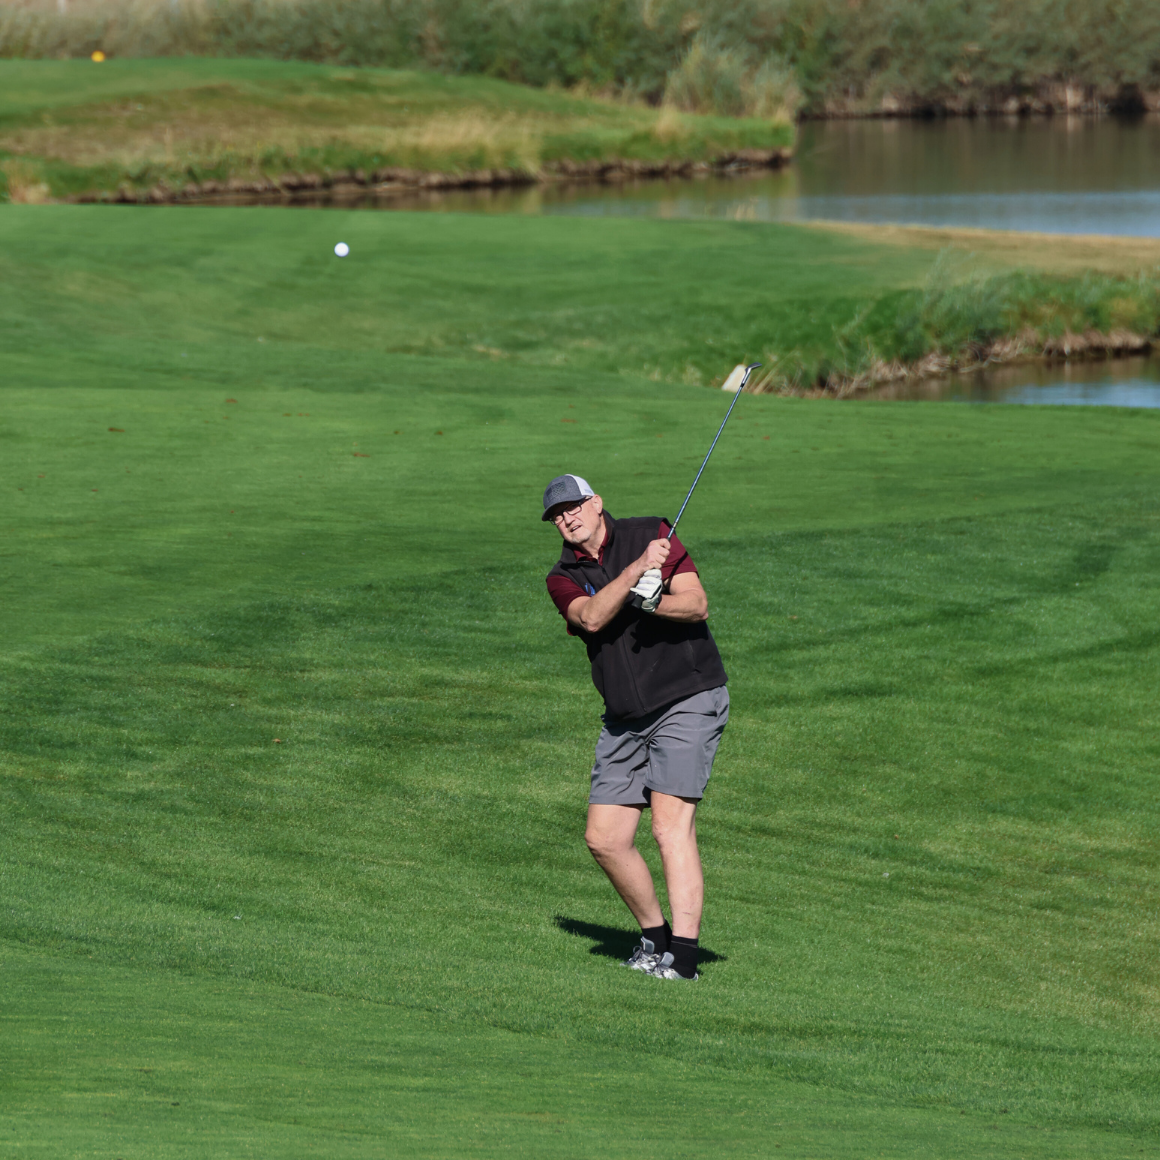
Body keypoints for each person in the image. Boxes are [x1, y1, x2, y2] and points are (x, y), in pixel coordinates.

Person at [543, 473, 729, 981]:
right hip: (624, 717)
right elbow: (591, 618)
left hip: (686, 698)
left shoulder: (652, 531)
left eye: (575, 507)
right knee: (603, 838)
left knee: (670, 825)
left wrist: (654, 601)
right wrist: (636, 575)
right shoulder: (562, 575)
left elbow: (697, 604)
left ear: (597, 503)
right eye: (558, 515)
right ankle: (655, 937)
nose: (568, 518)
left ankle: (684, 959)